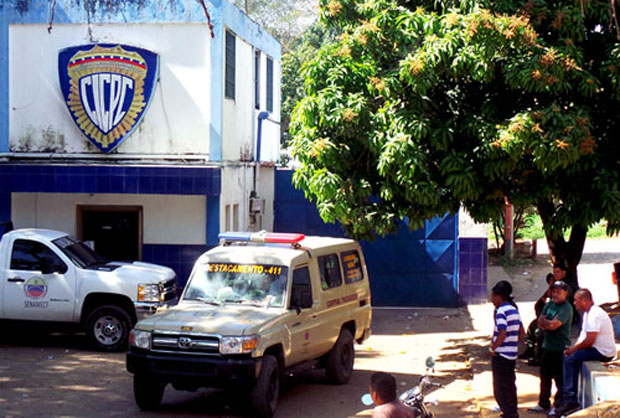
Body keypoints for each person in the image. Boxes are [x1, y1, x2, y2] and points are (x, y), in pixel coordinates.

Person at [555, 288, 617, 416]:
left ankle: (570, 400)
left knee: (571, 359)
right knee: (569, 356)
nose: (574, 303)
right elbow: (583, 337)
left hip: (603, 352)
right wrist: (572, 348)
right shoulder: (588, 313)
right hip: (595, 348)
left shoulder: (595, 314)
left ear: (584, 301)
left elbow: (589, 340)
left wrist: (574, 349)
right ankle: (566, 396)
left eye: (576, 300)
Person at [527, 280, 572, 415]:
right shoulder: (550, 304)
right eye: (554, 291)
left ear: (565, 294)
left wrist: (547, 323)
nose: (555, 294)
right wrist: (548, 323)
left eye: (559, 292)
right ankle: (543, 403)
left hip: (560, 348)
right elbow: (540, 321)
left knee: (560, 380)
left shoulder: (566, 308)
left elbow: (554, 325)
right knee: (545, 377)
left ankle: (558, 406)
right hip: (547, 346)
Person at [490, 280, 524, 418]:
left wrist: (493, 347)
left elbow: (502, 332)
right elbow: (522, 332)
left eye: (492, 296)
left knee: (500, 387)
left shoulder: (500, 312)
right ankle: (512, 411)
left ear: (498, 296)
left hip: (501, 354)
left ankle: (508, 412)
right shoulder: (514, 310)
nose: (491, 299)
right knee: (510, 384)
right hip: (512, 354)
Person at [521, 272, 557, 365]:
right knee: (531, 327)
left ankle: (539, 358)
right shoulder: (549, 291)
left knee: (539, 333)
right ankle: (530, 350)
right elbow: (539, 304)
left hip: (553, 321)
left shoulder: (559, 291)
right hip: (543, 317)